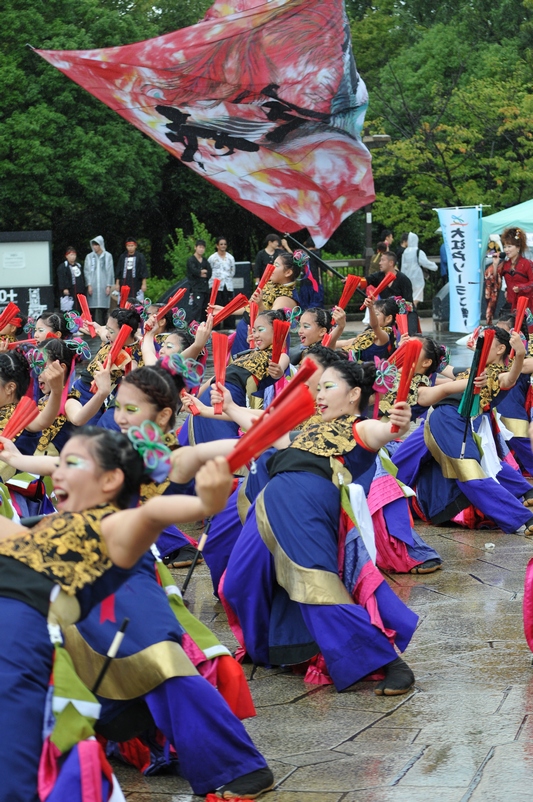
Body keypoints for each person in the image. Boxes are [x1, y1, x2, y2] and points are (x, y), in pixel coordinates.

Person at [221, 361, 419, 695]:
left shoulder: (360, 427)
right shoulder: (309, 428)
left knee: (317, 588)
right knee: (238, 582)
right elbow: (266, 426)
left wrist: (397, 424)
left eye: (329, 387)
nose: (320, 395)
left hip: (306, 503)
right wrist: (228, 406)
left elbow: (386, 432)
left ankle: (387, 661)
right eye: (319, 388)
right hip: (269, 502)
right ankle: (269, 649)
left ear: (354, 394)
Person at [493, 227, 533, 311]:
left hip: (527, 306)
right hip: (511, 306)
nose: (506, 250)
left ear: (518, 247)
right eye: (505, 247)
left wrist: (521, 287)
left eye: (509, 246)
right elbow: (495, 282)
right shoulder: (505, 265)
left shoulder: (527, 263)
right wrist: (495, 265)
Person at [83, 236, 115, 326]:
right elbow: (87, 271)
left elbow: (110, 271)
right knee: (93, 307)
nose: (95, 247)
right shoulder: (89, 257)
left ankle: (105, 326)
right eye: (93, 245)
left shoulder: (107, 256)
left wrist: (109, 285)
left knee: (104, 307)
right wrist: (89, 284)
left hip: (104, 285)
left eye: (97, 244)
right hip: (93, 285)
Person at [400, 232, 437, 307]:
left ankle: (411, 313)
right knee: (417, 296)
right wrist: (434, 267)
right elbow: (425, 263)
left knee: (410, 296)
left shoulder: (405, 251)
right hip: (417, 277)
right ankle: (412, 311)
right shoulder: (418, 251)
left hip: (407, 276)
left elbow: (403, 266)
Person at [186, 239, 212, 323]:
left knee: (205, 308)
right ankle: (192, 325)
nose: (201, 249)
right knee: (197, 307)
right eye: (200, 247)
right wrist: (200, 272)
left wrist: (202, 273)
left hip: (205, 288)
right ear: (195, 247)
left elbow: (209, 272)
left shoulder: (205, 261)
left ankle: (203, 324)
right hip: (196, 288)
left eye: (203, 248)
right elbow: (194, 271)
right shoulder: (191, 260)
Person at [208, 236, 236, 308]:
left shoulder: (230, 258)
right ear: (217, 246)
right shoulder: (212, 258)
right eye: (221, 244)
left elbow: (233, 271)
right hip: (215, 287)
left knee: (228, 307)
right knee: (216, 306)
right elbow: (209, 270)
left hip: (227, 286)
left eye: (225, 244)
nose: (223, 246)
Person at [57, 246, 86, 312]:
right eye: (71, 255)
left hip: (78, 290)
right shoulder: (63, 266)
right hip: (69, 291)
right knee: (69, 307)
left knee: (79, 306)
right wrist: (64, 288)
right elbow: (61, 278)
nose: (73, 257)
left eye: (74, 255)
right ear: (67, 256)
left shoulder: (78, 265)